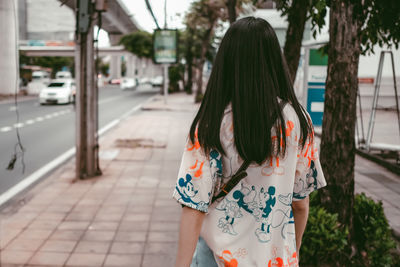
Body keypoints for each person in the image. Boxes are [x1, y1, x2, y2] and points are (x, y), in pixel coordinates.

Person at [172, 16, 326, 267]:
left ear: (227, 61)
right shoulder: (298, 119)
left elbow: (193, 206)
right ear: (274, 60)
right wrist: (292, 252)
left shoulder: (211, 121)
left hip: (216, 258)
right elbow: (300, 202)